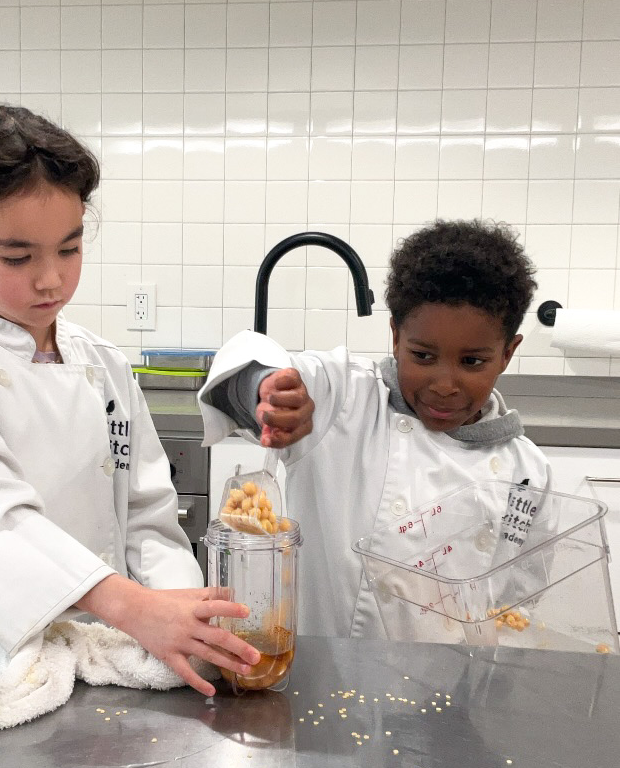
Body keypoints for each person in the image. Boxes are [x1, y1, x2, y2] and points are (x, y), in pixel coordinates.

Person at [0, 102, 259, 695]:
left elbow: (149, 517)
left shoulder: (98, 362)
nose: (50, 279)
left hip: (96, 632)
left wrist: (182, 608)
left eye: (70, 249)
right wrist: (131, 608)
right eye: (18, 257)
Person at [199, 219, 552, 641]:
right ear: (395, 337)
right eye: (422, 356)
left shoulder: (527, 471)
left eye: (472, 362)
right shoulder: (345, 398)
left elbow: (519, 604)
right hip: (326, 676)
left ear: (508, 352)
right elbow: (245, 370)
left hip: (458, 690)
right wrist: (269, 392)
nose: (444, 383)